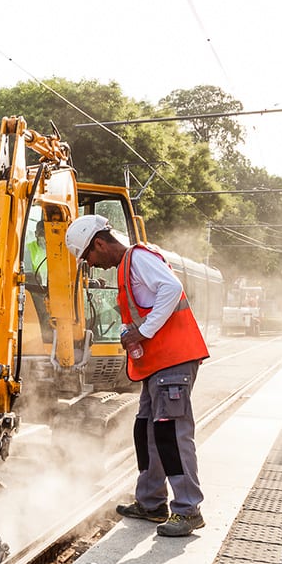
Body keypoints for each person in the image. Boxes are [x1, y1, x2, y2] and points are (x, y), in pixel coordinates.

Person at [65, 215, 210, 537]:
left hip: (174, 361)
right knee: (146, 430)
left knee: (171, 433)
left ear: (99, 244)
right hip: (158, 365)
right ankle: (151, 502)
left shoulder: (139, 259)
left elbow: (171, 289)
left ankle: (188, 510)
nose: (91, 264)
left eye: (88, 257)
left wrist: (143, 332)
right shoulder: (128, 267)